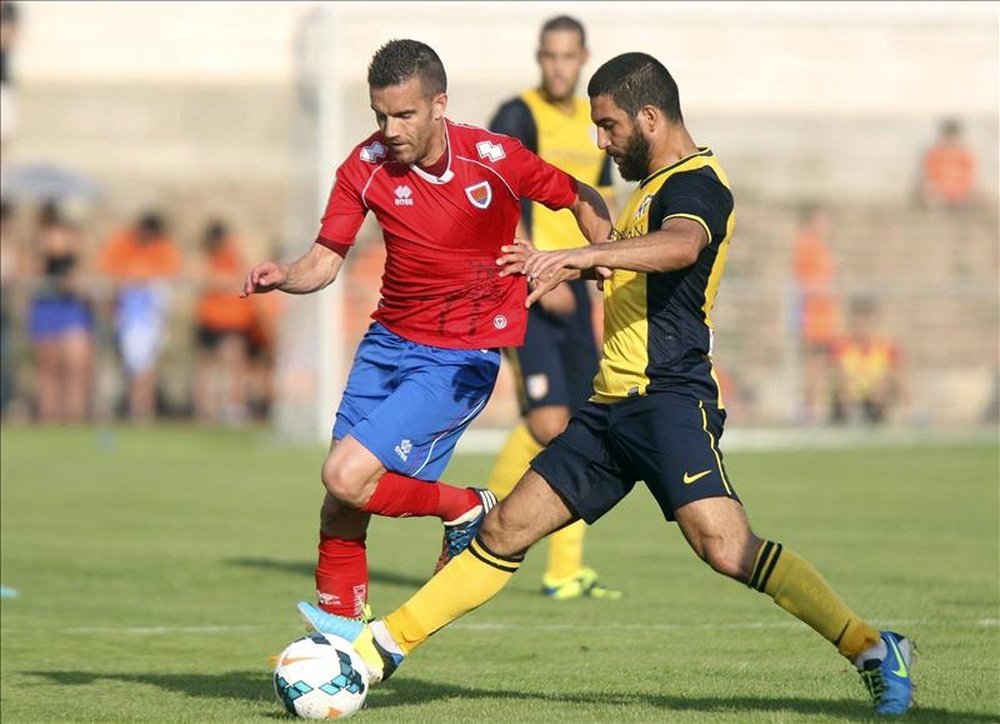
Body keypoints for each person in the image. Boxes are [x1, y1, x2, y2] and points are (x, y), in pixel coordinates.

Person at [299, 52, 915, 717]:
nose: (600, 140)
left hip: (670, 401)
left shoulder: (697, 183)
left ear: (650, 117)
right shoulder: (647, 187)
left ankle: (874, 647)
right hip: (608, 408)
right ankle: (372, 654)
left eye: (609, 125)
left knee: (726, 547)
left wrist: (580, 255)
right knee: (505, 528)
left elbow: (681, 246)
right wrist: (579, 262)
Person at [242, 39, 611, 621]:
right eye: (379, 115)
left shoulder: (493, 157)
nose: (389, 129)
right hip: (387, 344)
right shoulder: (363, 168)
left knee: (343, 474)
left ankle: (467, 506)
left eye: (404, 114)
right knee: (341, 506)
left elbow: (581, 195)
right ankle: (342, 646)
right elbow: (324, 261)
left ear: (439, 104)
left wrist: (598, 257)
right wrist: (284, 274)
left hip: (459, 356)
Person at [485, 16, 619, 600]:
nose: (558, 67)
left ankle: (557, 566)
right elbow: (495, 197)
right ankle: (484, 534)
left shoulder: (595, 123)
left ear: (583, 56)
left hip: (574, 278)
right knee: (549, 423)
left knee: (580, 419)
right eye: (550, 57)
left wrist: (604, 262)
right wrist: (542, 265)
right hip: (529, 286)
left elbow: (601, 197)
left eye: (568, 57)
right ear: (539, 58)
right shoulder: (517, 116)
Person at [98, 211, 181, 422]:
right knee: (136, 365)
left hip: (151, 318)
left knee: (146, 365)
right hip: (129, 318)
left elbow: (170, 279)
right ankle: (137, 409)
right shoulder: (122, 244)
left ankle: (143, 409)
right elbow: (109, 275)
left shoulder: (164, 249)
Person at [26, 201, 95, 423]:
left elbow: (84, 276)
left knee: (77, 366)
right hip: (46, 307)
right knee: (48, 367)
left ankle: (75, 417)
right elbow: (29, 274)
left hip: (72, 307)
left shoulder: (76, 240)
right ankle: (49, 417)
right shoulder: (36, 243)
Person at [193, 220, 254, 425]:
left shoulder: (233, 255)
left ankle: (234, 407)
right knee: (206, 366)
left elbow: (240, 277)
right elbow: (203, 280)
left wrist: (221, 282)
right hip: (209, 317)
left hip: (232, 319)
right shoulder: (206, 257)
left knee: (234, 362)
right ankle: (205, 410)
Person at [791, 204, 839, 424]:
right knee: (813, 362)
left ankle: (816, 404)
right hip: (813, 314)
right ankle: (810, 407)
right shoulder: (807, 244)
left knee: (820, 362)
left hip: (824, 314)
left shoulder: (820, 246)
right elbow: (804, 280)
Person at [830, 297, 905, 425]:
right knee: (843, 390)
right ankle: (848, 418)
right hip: (851, 395)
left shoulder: (885, 347)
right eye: (858, 322)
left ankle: (880, 419)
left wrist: (885, 384)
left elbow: (897, 377)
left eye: (866, 321)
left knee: (882, 389)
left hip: (875, 396)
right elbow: (838, 374)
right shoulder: (842, 346)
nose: (862, 327)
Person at [919, 118, 976, 209]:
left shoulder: (966, 155)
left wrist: (962, 192)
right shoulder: (934, 154)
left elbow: (970, 178)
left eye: (953, 137)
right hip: (938, 194)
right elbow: (928, 177)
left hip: (961, 194)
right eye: (947, 136)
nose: (950, 141)